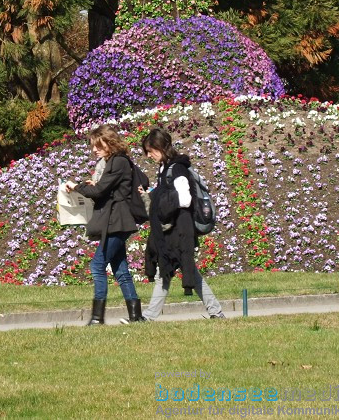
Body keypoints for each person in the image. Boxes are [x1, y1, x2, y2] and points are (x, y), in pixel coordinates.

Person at [140, 127, 225, 320]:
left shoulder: (176, 168)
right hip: (173, 229)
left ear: (161, 147)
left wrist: (163, 205)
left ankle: (148, 317)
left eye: (151, 150)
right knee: (182, 272)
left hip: (179, 229)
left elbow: (185, 199)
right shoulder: (164, 168)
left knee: (169, 270)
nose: (149, 155)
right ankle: (216, 312)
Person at [65, 124, 145, 325]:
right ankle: (136, 316)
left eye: (98, 145)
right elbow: (105, 188)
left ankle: (97, 317)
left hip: (117, 221)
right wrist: (92, 186)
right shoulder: (115, 162)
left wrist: (77, 187)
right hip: (117, 221)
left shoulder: (118, 162)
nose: (94, 150)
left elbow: (99, 191)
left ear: (110, 143)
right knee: (120, 270)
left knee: (97, 265)